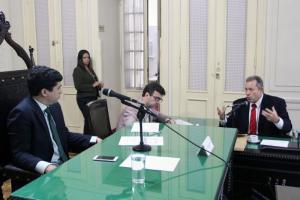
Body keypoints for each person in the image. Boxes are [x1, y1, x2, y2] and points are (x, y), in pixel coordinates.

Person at [7, 66, 101, 174]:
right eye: (58, 88)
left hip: (64, 167)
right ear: (44, 92)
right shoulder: (22, 113)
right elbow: (19, 154)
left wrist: (93, 140)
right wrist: (46, 167)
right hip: (45, 173)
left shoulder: (54, 106)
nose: (61, 91)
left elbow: (64, 136)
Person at [217, 75, 292, 136]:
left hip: (266, 147)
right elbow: (230, 126)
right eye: (246, 89)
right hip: (244, 146)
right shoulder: (239, 103)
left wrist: (277, 120)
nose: (247, 93)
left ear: (261, 89)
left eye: (251, 89)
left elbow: (288, 127)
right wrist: (223, 118)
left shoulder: (276, 103)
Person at [73, 49, 104, 134]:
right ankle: (85, 141)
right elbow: (78, 86)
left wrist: (99, 86)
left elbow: (93, 83)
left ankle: (90, 140)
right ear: (80, 59)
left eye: (88, 57)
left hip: (92, 97)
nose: (87, 59)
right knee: (88, 119)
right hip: (83, 99)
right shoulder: (77, 70)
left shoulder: (90, 69)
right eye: (84, 57)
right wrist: (93, 85)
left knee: (92, 120)